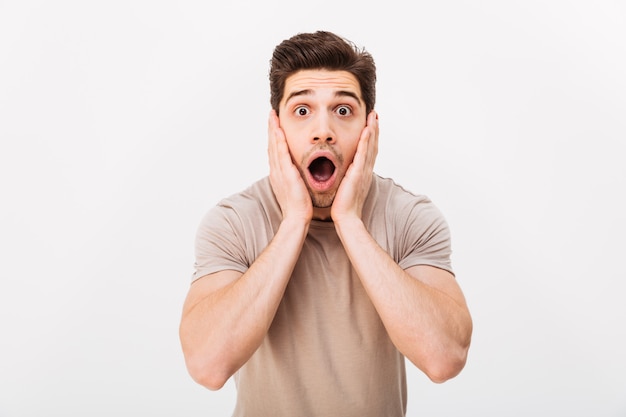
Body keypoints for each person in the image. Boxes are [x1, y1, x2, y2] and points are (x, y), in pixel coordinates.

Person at [179, 30, 472, 416]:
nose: (323, 131)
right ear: (276, 128)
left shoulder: (410, 216)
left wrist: (349, 220)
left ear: (370, 127)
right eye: (302, 111)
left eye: (343, 110)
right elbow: (207, 366)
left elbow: (444, 358)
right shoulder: (233, 222)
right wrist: (294, 221)